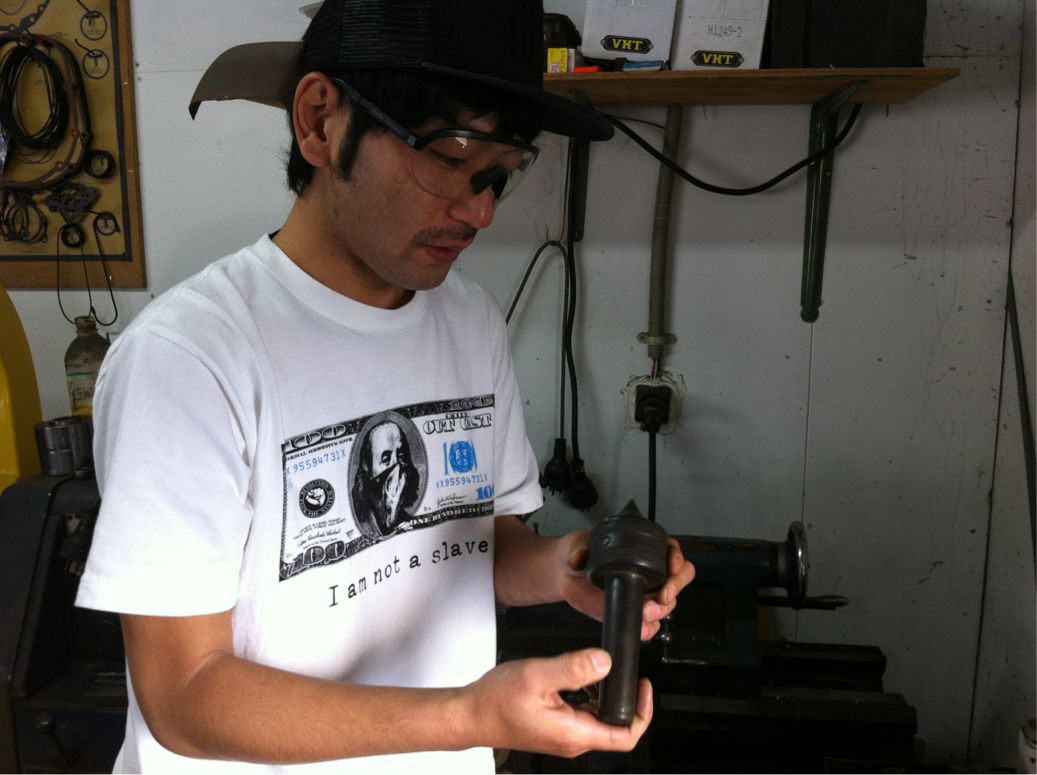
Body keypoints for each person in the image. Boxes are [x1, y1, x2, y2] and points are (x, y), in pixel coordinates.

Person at [75, 0, 695, 772]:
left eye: (498, 174)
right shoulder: (189, 356)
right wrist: (467, 715)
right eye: (449, 155)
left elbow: (475, 545)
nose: (478, 210)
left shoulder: (469, 319)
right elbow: (184, 695)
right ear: (320, 121)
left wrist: (571, 566)